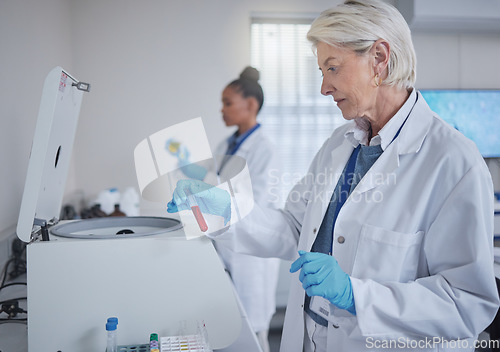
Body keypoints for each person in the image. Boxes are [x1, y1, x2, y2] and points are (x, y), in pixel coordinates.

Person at [167, 1, 500, 351]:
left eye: (333, 68)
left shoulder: (452, 161)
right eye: (322, 71)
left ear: (379, 58)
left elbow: (467, 303)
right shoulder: (339, 145)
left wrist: (355, 295)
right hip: (308, 337)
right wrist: (221, 208)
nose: (324, 87)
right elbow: (295, 228)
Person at [172, 67, 280, 352]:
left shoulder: (264, 148)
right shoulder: (227, 143)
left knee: (255, 333)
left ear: (251, 105)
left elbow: (252, 199)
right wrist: (189, 167)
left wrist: (207, 184)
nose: (222, 110)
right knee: (229, 327)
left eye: (227, 103)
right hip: (225, 243)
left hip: (250, 252)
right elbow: (213, 178)